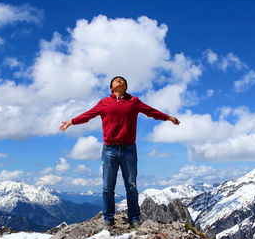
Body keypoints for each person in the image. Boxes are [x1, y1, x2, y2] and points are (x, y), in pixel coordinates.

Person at [59, 76, 180, 228]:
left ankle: (134, 218)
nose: (119, 80)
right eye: (116, 80)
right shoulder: (104, 103)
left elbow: (151, 112)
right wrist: (72, 121)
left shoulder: (134, 101)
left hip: (129, 148)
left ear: (126, 86)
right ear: (111, 87)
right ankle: (108, 218)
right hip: (110, 148)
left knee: (131, 186)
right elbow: (88, 115)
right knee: (108, 186)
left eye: (122, 80)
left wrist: (168, 117)